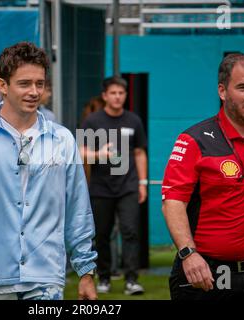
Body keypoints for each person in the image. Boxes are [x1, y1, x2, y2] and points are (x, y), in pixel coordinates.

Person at [0, 42, 97, 300]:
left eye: (40, 83)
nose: (34, 91)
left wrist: (86, 270)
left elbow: (78, 208)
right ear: (2, 85)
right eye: (24, 84)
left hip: (46, 278)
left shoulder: (63, 139)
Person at [162, 53, 244, 300]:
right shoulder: (194, 139)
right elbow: (173, 201)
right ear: (222, 91)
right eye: (243, 87)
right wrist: (188, 254)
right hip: (208, 271)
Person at [81, 76, 148, 295]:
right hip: (101, 187)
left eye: (121, 93)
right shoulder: (93, 121)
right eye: (113, 93)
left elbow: (139, 152)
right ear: (105, 96)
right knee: (101, 234)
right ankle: (104, 278)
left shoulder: (134, 120)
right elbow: (80, 151)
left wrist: (142, 183)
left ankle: (131, 280)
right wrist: (99, 154)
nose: (117, 97)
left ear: (125, 96)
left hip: (128, 186)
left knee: (130, 231)